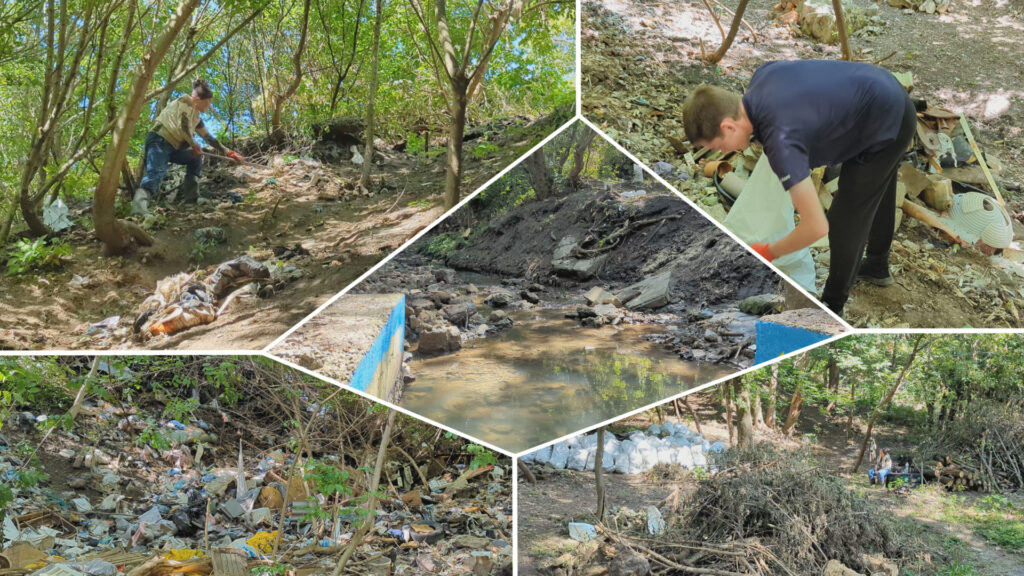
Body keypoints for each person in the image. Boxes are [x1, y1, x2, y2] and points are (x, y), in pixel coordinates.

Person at [682, 60, 916, 316]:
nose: (724, 152)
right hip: (877, 90)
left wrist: (769, 251)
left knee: (845, 218)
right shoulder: (761, 78)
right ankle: (877, 265)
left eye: (721, 145)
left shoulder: (782, 141)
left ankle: (832, 306)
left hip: (886, 115)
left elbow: (816, 226)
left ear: (728, 126)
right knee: (875, 185)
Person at [133, 79, 244, 216]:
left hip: (174, 147)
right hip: (159, 140)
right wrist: (193, 144)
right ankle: (138, 210)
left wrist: (229, 152)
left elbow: (209, 138)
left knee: (195, 158)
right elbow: (183, 125)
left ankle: (192, 198)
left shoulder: (196, 118)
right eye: (208, 102)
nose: (209, 106)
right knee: (155, 174)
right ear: (197, 98)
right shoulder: (185, 101)